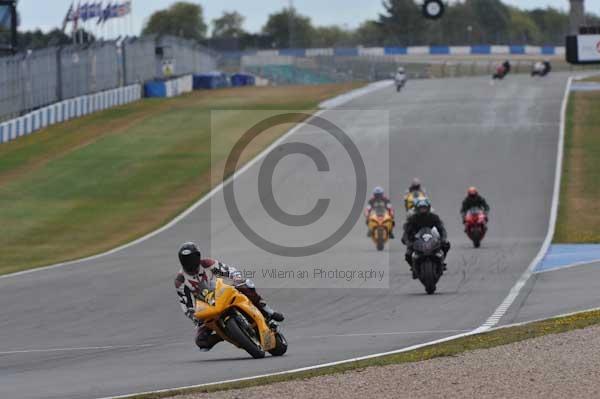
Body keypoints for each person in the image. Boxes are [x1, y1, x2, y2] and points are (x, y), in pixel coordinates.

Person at [174, 242, 284, 351]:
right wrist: (194, 316)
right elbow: (186, 303)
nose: (189, 262)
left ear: (198, 256)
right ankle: (225, 335)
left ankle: (268, 311)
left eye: (191, 258)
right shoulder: (181, 280)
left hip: (222, 293)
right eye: (185, 259)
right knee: (201, 341)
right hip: (207, 308)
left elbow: (227, 271)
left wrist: (236, 278)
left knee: (245, 286)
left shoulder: (207, 264)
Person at [402, 198, 450, 279]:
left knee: (446, 245)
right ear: (417, 208)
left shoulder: (434, 217)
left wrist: (443, 239)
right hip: (417, 240)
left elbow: (441, 229)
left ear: (428, 208)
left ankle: (441, 262)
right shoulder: (412, 219)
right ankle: (414, 268)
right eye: (421, 208)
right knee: (408, 254)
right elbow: (406, 233)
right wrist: (408, 241)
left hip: (431, 238)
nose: (423, 210)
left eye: (424, 207)